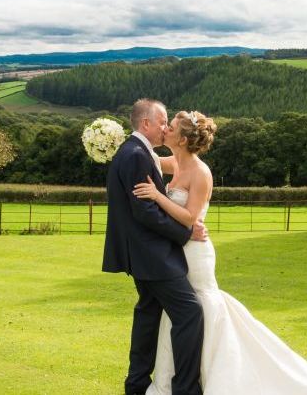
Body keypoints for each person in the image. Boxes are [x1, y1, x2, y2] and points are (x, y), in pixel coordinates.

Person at [132, 110, 307, 395]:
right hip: (176, 249)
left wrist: (158, 196)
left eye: (170, 127)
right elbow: (145, 157)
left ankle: (218, 373)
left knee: (200, 307)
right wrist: (118, 142)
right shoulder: (174, 163)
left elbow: (190, 218)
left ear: (182, 139)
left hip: (194, 252)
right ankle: (179, 380)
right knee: (180, 311)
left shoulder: (200, 172)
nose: (165, 130)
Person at [103, 98, 208, 395]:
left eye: (169, 125)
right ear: (146, 123)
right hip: (153, 255)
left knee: (148, 315)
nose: (165, 128)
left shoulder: (138, 151)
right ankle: (185, 389)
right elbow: (145, 212)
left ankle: (136, 384)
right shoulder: (137, 154)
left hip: (145, 254)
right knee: (189, 313)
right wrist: (185, 232)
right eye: (163, 122)